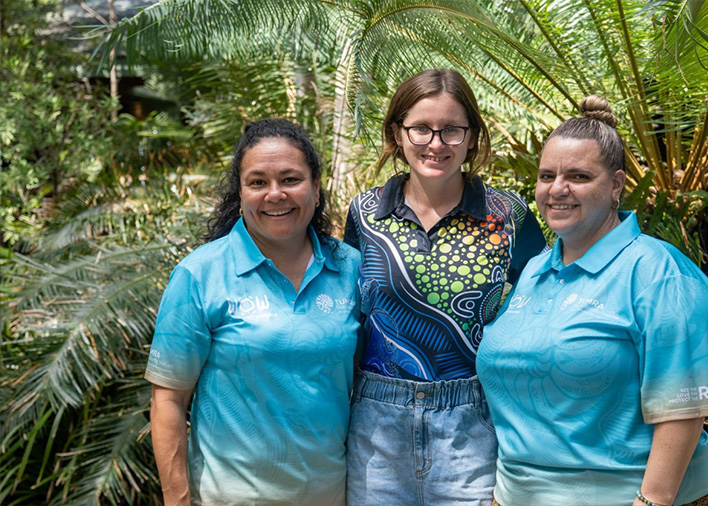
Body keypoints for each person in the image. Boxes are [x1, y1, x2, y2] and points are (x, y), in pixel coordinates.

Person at [477, 96, 708, 506]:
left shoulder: (658, 273)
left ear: (616, 185)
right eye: (546, 175)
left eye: (578, 176)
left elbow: (683, 405)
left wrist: (651, 501)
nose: (557, 189)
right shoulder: (534, 272)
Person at [343, 69, 546, 506]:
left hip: (472, 421)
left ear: (472, 136)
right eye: (420, 128)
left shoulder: (509, 215)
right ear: (397, 133)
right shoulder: (364, 214)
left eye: (451, 129)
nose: (436, 144)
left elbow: (542, 308)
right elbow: (349, 317)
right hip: (377, 425)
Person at [145, 118, 361, 506]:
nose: (275, 194)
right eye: (258, 182)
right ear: (240, 193)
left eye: (291, 179)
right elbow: (168, 400)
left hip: (332, 495)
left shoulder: (351, 269)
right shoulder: (200, 274)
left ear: (315, 188)